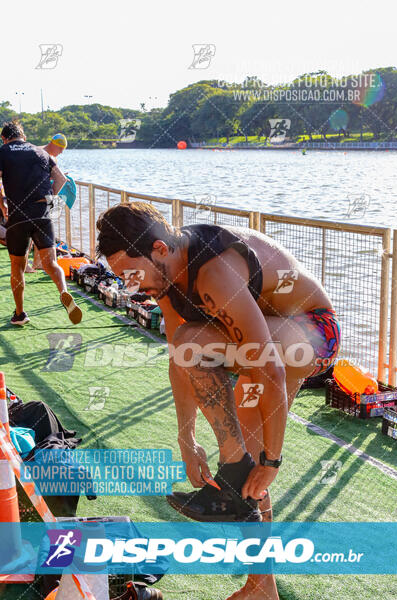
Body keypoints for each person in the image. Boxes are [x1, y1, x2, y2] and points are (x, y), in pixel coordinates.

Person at [96, 202, 341, 600]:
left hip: (311, 334)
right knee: (244, 460)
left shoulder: (215, 270)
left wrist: (273, 460)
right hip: (257, 345)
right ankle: (261, 585)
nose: (132, 285)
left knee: (249, 453)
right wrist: (186, 439)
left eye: (132, 274)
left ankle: (235, 468)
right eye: (123, 278)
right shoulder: (166, 276)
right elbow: (181, 361)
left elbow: (270, 368)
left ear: (160, 248)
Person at [0, 121, 82, 326]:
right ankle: (64, 291)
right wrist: (51, 201)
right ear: (24, 137)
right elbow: (62, 180)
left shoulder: (3, 151)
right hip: (43, 212)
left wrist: (2, 205)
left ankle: (20, 314)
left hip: (18, 214)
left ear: (4, 138)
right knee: (50, 262)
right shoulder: (41, 153)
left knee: (17, 266)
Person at [25, 132, 69, 272]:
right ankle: (26, 264)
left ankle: (37, 263)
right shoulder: (43, 154)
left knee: (41, 232)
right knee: (31, 232)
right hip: (39, 198)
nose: (61, 152)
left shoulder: (42, 153)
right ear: (54, 144)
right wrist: (53, 199)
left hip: (38, 196)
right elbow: (60, 179)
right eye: (61, 149)